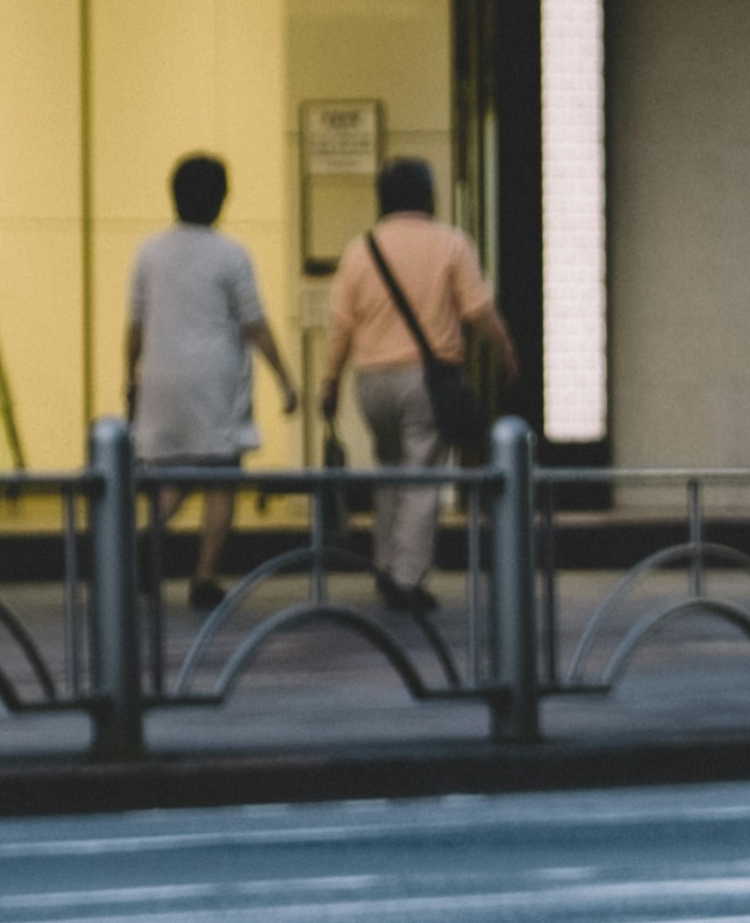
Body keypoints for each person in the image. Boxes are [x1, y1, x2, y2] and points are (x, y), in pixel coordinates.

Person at [321, 155, 502, 621]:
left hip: (371, 381)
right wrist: (507, 351)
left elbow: (340, 325)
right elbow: (479, 310)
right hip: (426, 378)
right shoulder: (451, 243)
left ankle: (384, 563)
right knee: (422, 477)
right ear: (429, 195)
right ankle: (406, 576)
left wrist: (330, 381)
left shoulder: (360, 249)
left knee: (389, 471)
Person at [124, 152, 292, 614]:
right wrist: (285, 380)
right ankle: (204, 577)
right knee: (221, 477)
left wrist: (130, 377)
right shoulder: (231, 253)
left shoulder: (149, 251)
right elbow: (254, 325)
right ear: (219, 199)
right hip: (215, 382)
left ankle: (144, 541)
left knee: (171, 477)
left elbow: (135, 327)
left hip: (161, 379)